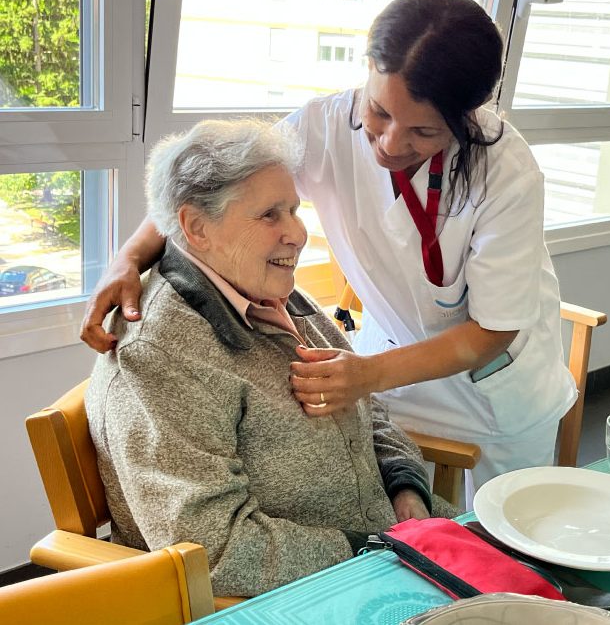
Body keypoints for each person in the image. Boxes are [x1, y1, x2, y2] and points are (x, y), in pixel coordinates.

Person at [81, 0, 576, 489]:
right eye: (379, 112)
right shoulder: (325, 125)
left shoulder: (506, 172)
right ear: (368, 67)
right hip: (389, 362)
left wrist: (368, 374)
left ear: (465, 117)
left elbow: (493, 330)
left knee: (508, 525)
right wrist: (129, 257)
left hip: (493, 387)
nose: (390, 144)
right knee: (400, 494)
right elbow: (211, 185)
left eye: (423, 132)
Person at [84, 119, 446, 599]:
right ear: (197, 227)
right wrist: (375, 550)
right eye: (270, 215)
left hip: (391, 546)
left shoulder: (269, 290)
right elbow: (213, 551)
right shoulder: (160, 355)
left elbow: (362, 402)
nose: (297, 233)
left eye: (294, 210)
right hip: (314, 589)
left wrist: (405, 485)